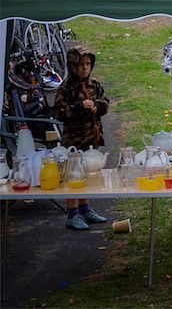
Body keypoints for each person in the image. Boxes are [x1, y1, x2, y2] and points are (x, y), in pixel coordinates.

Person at [53, 48, 109, 230]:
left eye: (87, 64)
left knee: (87, 173)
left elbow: (105, 102)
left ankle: (85, 209)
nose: (85, 68)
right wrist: (78, 107)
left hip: (92, 136)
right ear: (72, 66)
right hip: (73, 140)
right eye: (80, 65)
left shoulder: (94, 84)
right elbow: (59, 112)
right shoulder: (66, 88)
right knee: (74, 175)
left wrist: (97, 107)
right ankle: (72, 213)